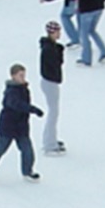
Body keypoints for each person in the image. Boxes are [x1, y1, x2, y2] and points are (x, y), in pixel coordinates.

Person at [0, 64, 43, 182]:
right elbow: (16, 104)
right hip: (8, 126)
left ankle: (28, 171)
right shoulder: (11, 91)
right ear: (13, 76)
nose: (23, 78)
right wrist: (32, 109)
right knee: (1, 148)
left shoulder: (24, 88)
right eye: (20, 75)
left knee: (27, 149)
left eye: (24, 75)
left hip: (21, 126)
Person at [40, 22, 66, 154]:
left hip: (50, 81)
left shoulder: (50, 47)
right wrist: (60, 51)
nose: (59, 34)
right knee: (53, 112)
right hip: (50, 82)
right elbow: (56, 63)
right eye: (57, 31)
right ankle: (49, 144)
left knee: (53, 112)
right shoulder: (49, 49)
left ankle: (50, 139)